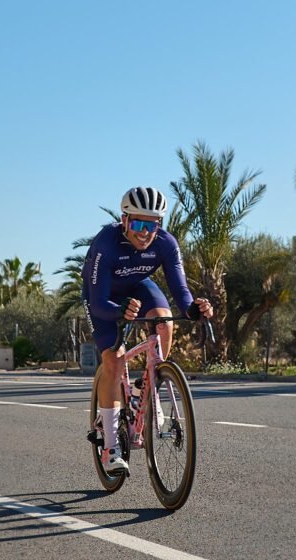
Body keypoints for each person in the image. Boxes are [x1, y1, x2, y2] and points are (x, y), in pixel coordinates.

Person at [81, 186, 214, 476]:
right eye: (138, 224)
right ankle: (112, 447)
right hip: (103, 299)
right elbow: (99, 301)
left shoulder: (166, 244)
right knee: (114, 360)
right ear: (124, 220)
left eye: (152, 225)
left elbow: (181, 291)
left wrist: (193, 309)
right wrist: (119, 312)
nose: (145, 232)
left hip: (138, 288)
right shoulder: (106, 243)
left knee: (164, 319)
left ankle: (149, 381)